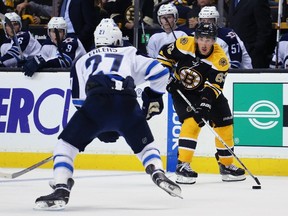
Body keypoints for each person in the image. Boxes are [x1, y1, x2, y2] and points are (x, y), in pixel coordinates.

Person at [33, 18, 182, 211]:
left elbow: (79, 101)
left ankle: (61, 187)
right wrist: (153, 96)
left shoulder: (82, 60)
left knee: (66, 146)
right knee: (146, 146)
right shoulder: (128, 52)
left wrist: (96, 126)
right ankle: (157, 172)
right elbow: (160, 71)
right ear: (118, 39)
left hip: (97, 101)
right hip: (128, 102)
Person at [158, 22, 246, 184]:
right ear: (196, 38)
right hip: (183, 90)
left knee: (225, 124)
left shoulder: (220, 60)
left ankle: (226, 166)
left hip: (208, 93)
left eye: (209, 39)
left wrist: (204, 105)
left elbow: (213, 87)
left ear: (214, 41)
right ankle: (183, 165)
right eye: (202, 39)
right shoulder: (183, 44)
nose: (205, 43)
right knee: (192, 122)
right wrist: (167, 77)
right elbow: (163, 56)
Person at [22, 16, 86, 77]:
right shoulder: (47, 44)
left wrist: (43, 64)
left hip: (82, 74)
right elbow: (41, 60)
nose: (56, 35)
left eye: (59, 31)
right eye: (53, 31)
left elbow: (64, 63)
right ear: (49, 33)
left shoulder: (72, 41)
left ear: (65, 32)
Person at [227, 0, 272, 68]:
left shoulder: (258, 1)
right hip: (235, 52)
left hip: (252, 54)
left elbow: (265, 29)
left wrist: (256, 50)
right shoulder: (233, 2)